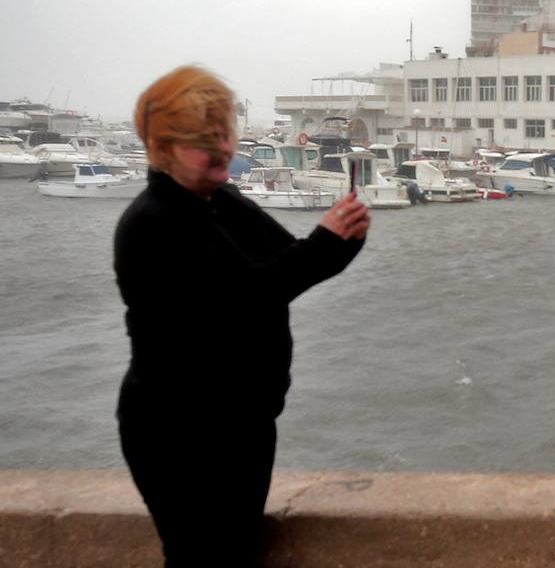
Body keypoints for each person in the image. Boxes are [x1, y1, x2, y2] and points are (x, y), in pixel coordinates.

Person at [114, 66, 370, 566]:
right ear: (165, 147)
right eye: (207, 140)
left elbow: (289, 262)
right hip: (181, 438)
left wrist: (346, 237)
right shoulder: (154, 224)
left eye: (226, 134)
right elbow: (245, 299)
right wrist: (326, 242)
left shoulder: (217, 200)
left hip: (240, 427)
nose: (225, 149)